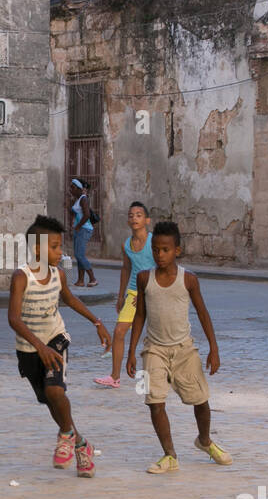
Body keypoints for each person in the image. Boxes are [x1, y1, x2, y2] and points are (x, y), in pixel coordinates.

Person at [7, 215, 111, 477]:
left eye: (60, 246)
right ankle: (81, 445)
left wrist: (97, 322)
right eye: (54, 246)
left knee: (55, 392)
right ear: (37, 248)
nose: (60, 252)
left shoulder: (59, 274)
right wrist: (39, 347)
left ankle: (65, 435)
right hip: (29, 349)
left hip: (56, 339)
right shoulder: (22, 277)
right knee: (53, 403)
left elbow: (70, 300)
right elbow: (13, 319)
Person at [126, 220, 232, 474]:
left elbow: (203, 313)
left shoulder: (188, 280)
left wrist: (213, 348)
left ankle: (204, 441)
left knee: (201, 401)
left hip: (185, 349)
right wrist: (131, 351)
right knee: (155, 401)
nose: (160, 255)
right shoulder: (144, 279)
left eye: (165, 250)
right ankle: (169, 455)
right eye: (156, 250)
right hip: (154, 349)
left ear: (177, 251)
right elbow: (139, 315)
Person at [96, 201, 155, 389]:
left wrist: (147, 291)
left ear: (147, 220)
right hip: (132, 293)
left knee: (158, 335)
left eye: (139, 215)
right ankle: (115, 376)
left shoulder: (154, 242)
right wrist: (121, 296)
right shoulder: (127, 244)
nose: (134, 218)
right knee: (119, 331)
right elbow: (126, 268)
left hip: (154, 292)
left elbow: (162, 267)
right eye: (131, 215)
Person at [68, 178, 98, 288]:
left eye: (73, 187)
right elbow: (73, 213)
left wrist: (78, 226)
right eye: (70, 187)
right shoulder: (78, 199)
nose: (70, 189)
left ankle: (93, 278)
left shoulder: (83, 199)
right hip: (79, 229)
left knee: (79, 255)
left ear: (79, 188)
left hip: (84, 229)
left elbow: (87, 215)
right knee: (78, 254)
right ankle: (80, 280)